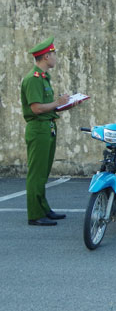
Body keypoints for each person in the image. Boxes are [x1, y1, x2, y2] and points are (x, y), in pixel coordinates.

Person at [20, 37, 79, 226]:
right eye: (53, 54)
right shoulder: (33, 79)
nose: (55, 58)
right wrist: (57, 103)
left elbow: (48, 107)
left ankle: (44, 208)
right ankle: (35, 214)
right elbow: (36, 108)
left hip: (47, 127)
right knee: (36, 173)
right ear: (46, 56)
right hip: (38, 129)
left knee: (43, 173)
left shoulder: (44, 78)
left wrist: (65, 104)